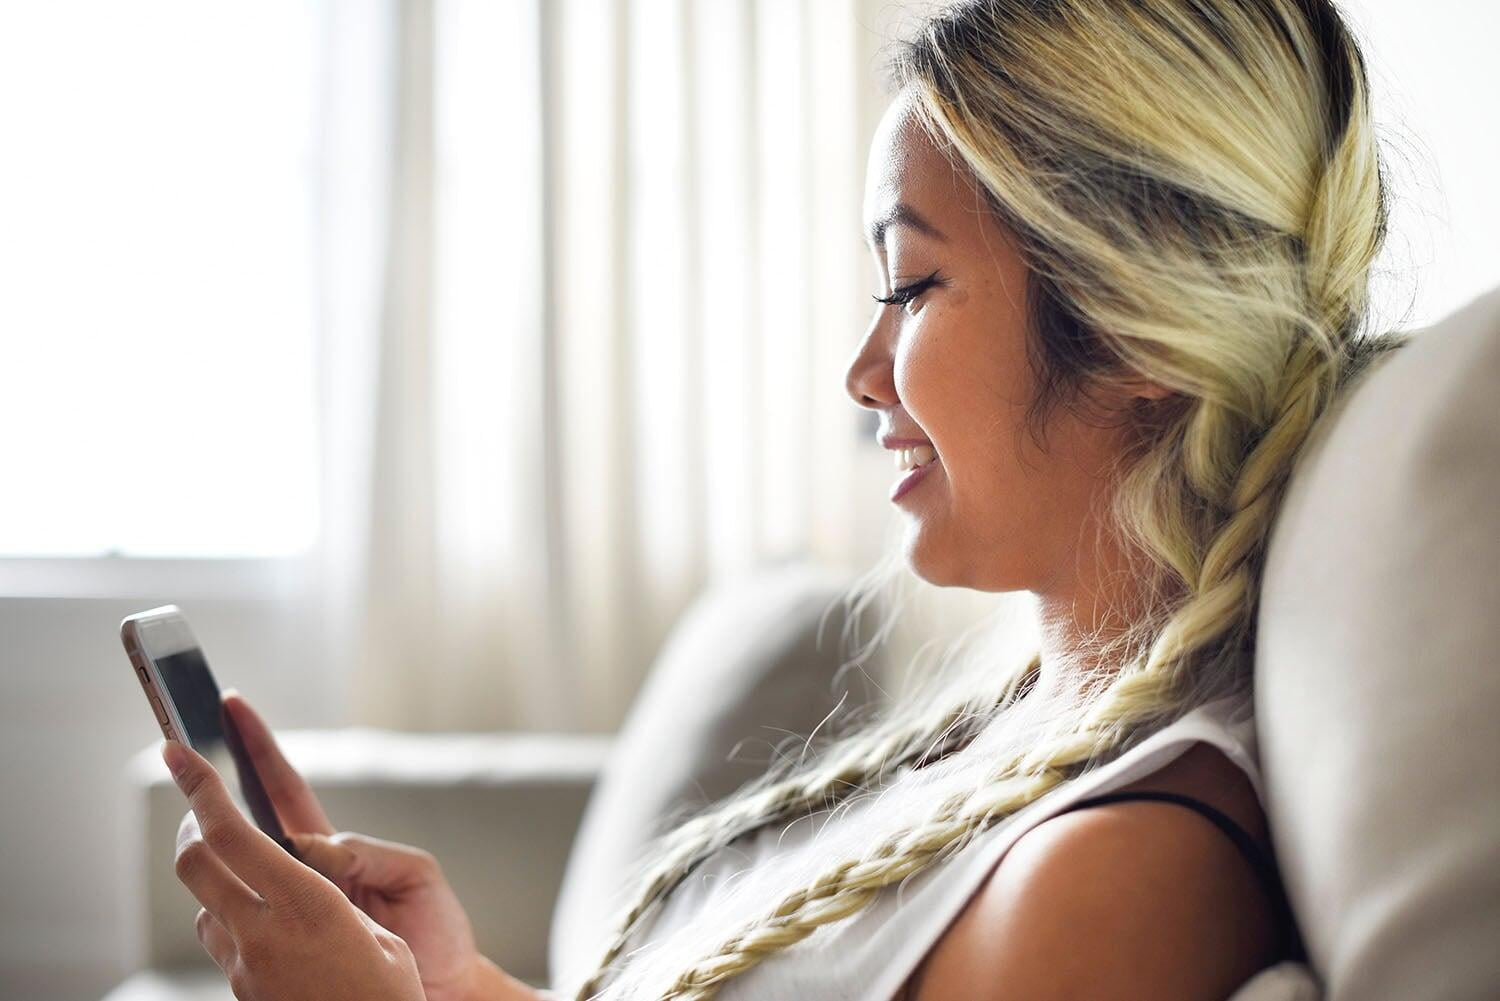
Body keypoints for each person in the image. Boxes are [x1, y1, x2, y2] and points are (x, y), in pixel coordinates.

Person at [159, 1, 1412, 998]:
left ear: (1143, 320)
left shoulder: (1120, 880)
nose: (864, 371)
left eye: (913, 283)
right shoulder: (1035, 734)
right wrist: (456, 986)